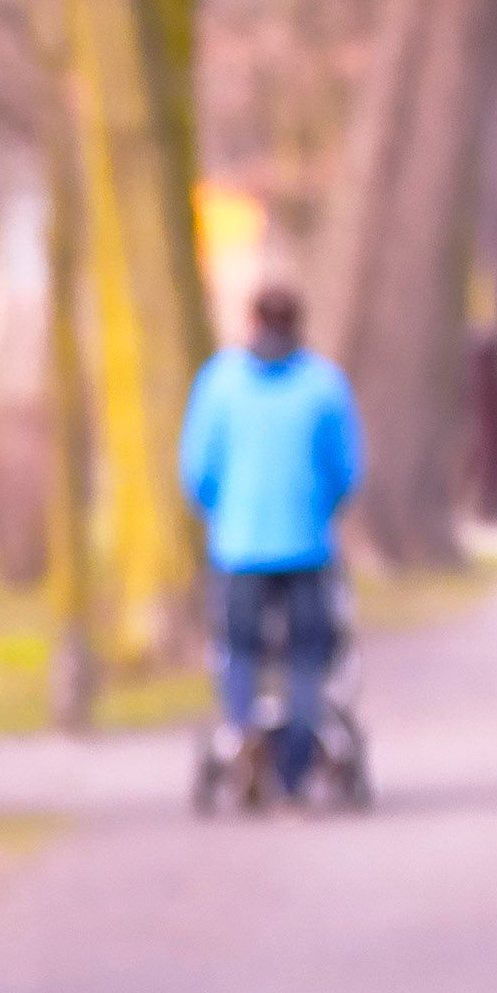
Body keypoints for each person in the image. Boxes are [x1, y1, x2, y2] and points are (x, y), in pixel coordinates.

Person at [179, 278, 365, 797]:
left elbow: (197, 471)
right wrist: (319, 508)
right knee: (308, 654)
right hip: (307, 544)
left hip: (239, 546)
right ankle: (297, 761)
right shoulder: (324, 385)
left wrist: (224, 510)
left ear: (253, 323)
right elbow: (346, 471)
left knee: (240, 649)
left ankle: (241, 734)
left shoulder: (219, 384)